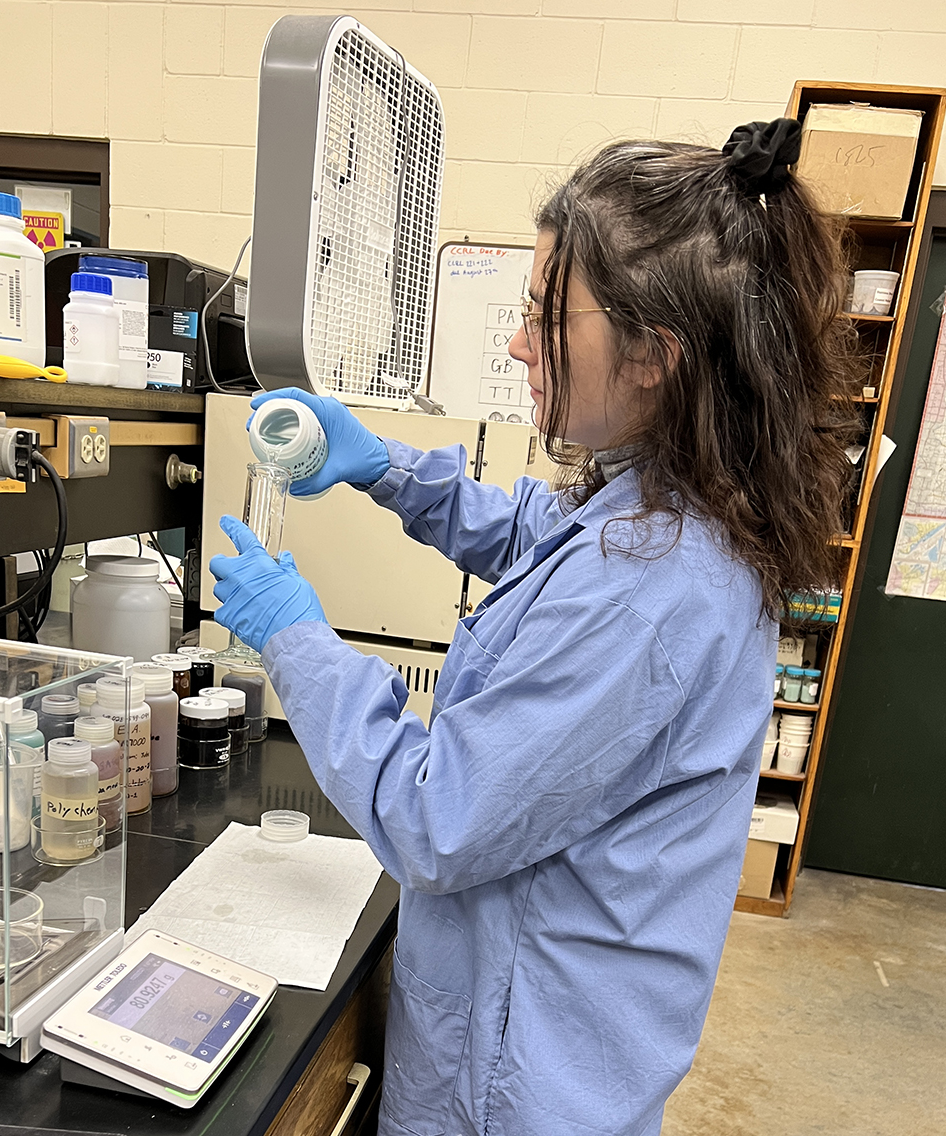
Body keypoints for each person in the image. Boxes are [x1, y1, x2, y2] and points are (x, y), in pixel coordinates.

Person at [210, 119, 862, 1136]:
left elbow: (438, 819)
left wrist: (296, 638)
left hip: (515, 1086)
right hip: (527, 1028)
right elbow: (539, 533)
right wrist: (383, 464)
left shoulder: (655, 591)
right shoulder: (661, 501)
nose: (518, 340)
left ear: (654, 354)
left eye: (545, 315)